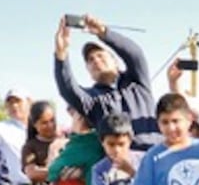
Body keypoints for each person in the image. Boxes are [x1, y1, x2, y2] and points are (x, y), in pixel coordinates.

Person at [53, 14, 162, 151]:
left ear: (115, 61)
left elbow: (135, 54)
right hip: (122, 160)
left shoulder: (137, 81)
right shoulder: (92, 100)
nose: (96, 61)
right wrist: (61, 54)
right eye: (90, 60)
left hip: (155, 152)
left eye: (100, 55)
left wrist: (104, 32)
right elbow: (67, 88)